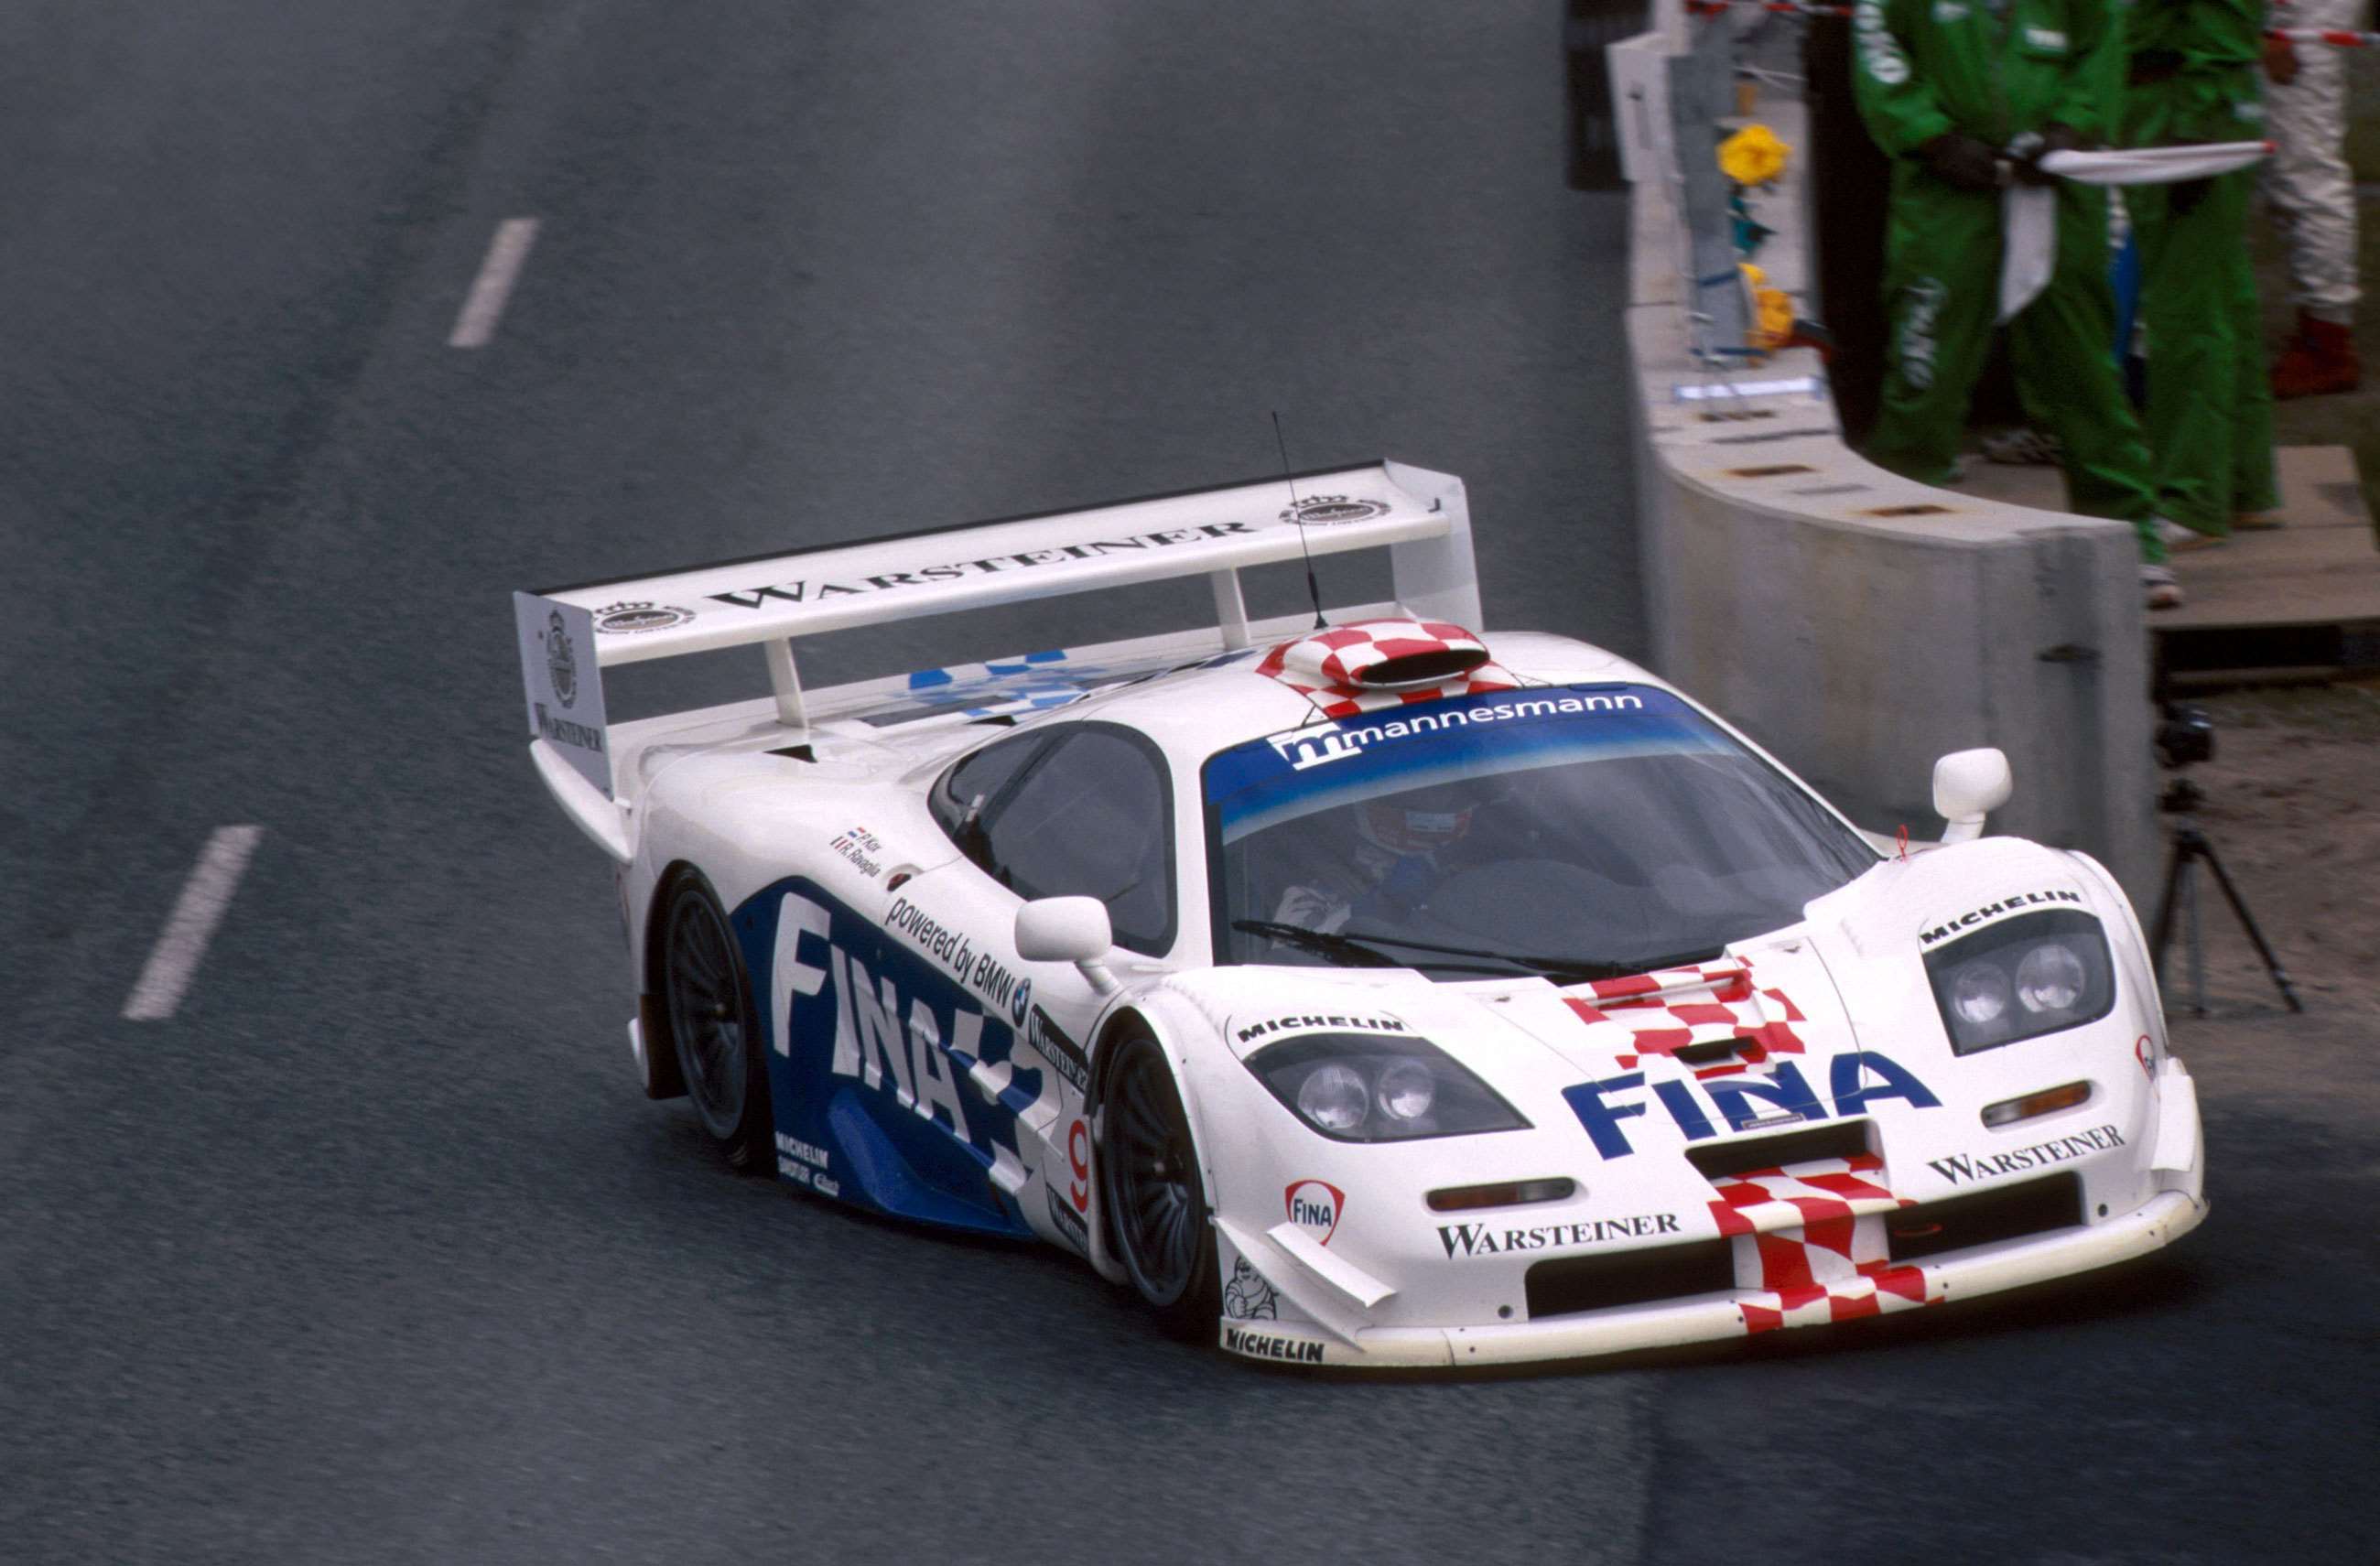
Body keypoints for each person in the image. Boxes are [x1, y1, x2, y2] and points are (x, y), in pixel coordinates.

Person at [1851, 0, 2180, 609]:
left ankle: (2130, 535)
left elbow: (2103, 40)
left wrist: (2071, 127)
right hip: (1946, 190)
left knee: (2084, 370)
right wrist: (1931, 136)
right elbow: (1876, 39)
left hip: (2055, 184)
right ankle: (1897, 534)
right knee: (1925, 368)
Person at [2125, 0, 2281, 545]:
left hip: (2184, 111)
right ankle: (2244, 487)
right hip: (2176, 107)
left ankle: (2193, 498)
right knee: (2221, 301)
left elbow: (2221, 33)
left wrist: (2194, 127)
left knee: (2185, 313)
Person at [2261, 5, 2365, 397]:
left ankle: (2327, 344)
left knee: (2304, 176)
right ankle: (2324, 332)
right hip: (2292, 18)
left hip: (2296, 19)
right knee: (2300, 174)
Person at [1271, 783, 1479, 934]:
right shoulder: (1316, 897)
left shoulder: (1480, 868)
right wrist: (1384, 902)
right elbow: (1297, 961)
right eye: (1417, 799)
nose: (1435, 801)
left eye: (1445, 794)